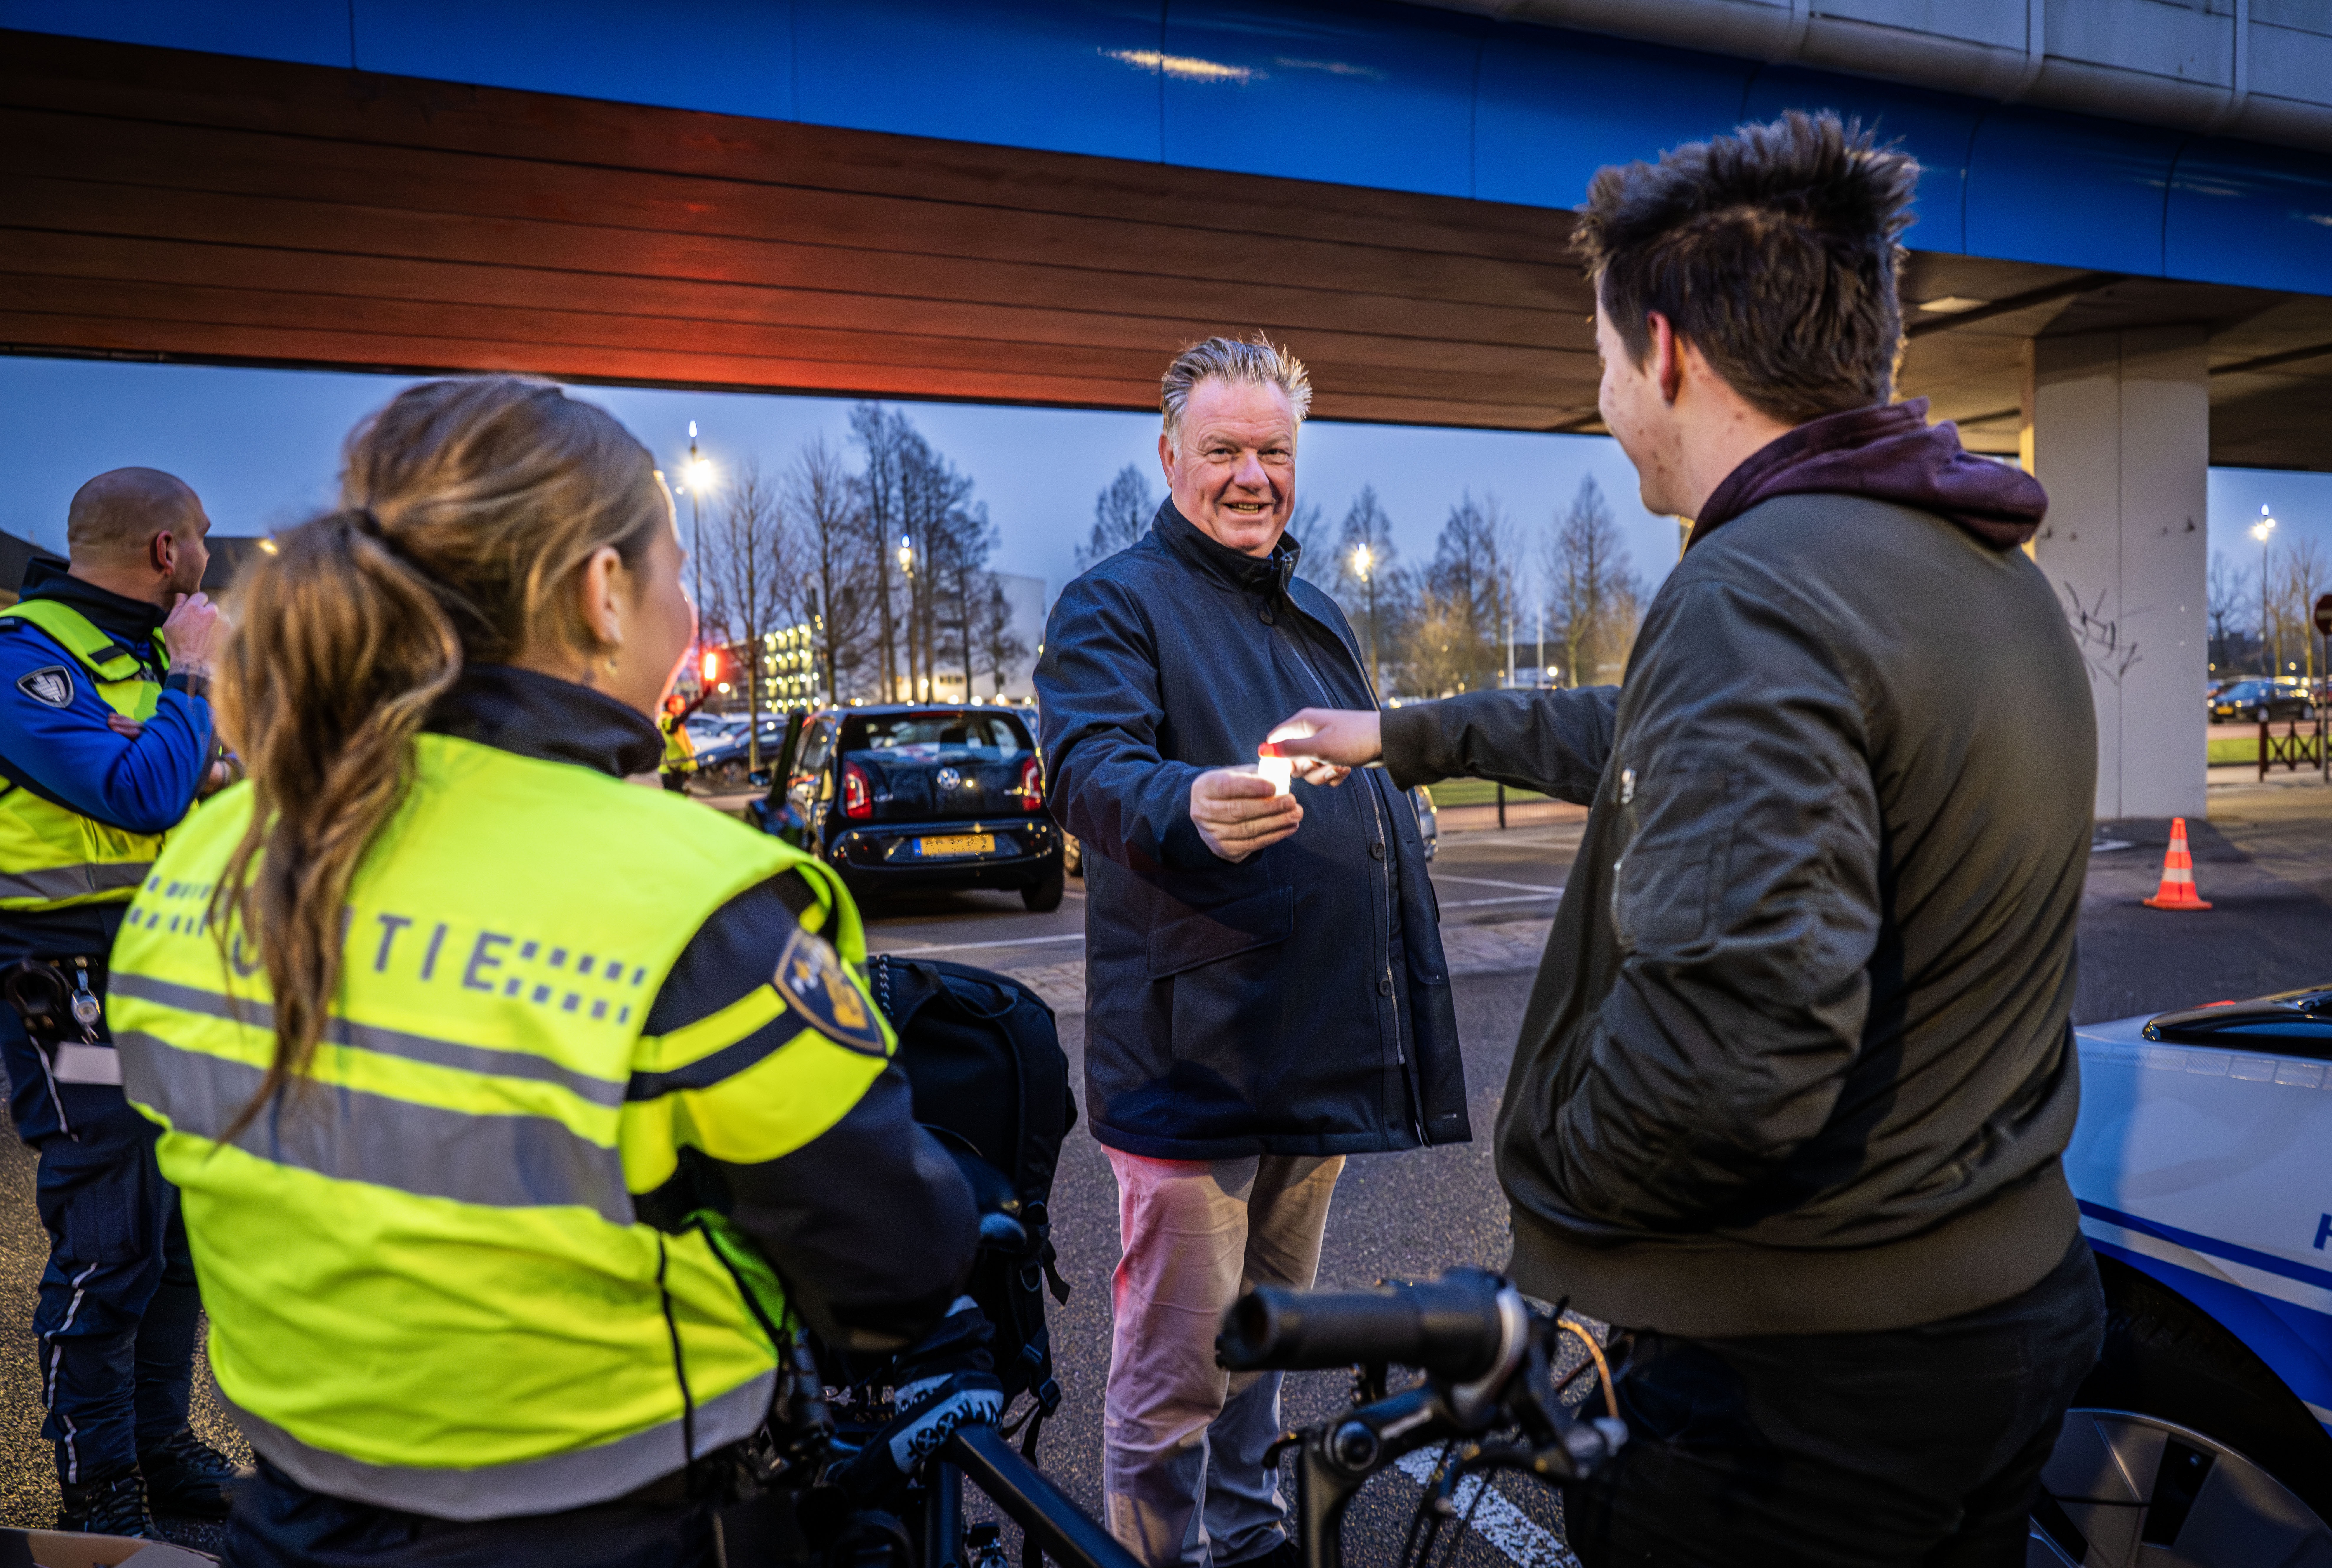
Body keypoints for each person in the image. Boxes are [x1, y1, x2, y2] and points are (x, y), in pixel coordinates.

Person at [1272, 113, 2105, 1565]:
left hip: (1796, 1391)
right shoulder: (1968, 565)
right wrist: (1405, 734)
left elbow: (1728, 1062)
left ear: (1665, 352)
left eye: (1601, 356)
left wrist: (1559, 1201)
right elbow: (1661, 730)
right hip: (2001, 1312)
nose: (1603, 397)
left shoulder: (1757, 591)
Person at [108, 378, 986, 1567]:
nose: (687, 605)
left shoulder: (208, 861)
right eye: (677, 570)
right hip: (631, 1531)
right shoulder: (688, 904)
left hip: (296, 1519)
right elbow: (891, 1272)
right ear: (601, 589)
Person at [1036, 336, 1469, 1568]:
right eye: (1222, 449)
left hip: (1313, 1043)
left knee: (1265, 1336)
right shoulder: (1113, 603)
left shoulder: (1313, 609)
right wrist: (1182, 802)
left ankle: (1248, 1530)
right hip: (1199, 1059)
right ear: (1169, 455)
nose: (1250, 475)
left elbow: (1350, 761)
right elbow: (1088, 768)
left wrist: (1397, 813)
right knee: (1176, 1366)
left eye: (1273, 450)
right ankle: (1157, 1554)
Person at [0, 467, 240, 1537]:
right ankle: (97, 1486)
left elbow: (201, 786)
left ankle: (158, 1445)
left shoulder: (139, 659)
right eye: (200, 537)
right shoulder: (24, 657)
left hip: (164, 971)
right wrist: (192, 683)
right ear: (163, 550)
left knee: (176, 1227)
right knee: (109, 1225)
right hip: (63, 982)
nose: (207, 556)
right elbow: (140, 791)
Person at [657, 691, 703, 792]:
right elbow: (680, 719)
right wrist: (695, 705)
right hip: (671, 771)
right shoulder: (665, 720)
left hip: (678, 770)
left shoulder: (673, 721)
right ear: (672, 706)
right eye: (682, 706)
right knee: (674, 800)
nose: (684, 708)